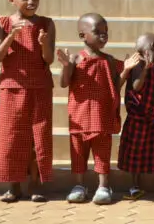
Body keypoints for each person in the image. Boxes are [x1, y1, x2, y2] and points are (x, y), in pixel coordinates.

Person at [57, 13, 136, 205]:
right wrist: (67, 66)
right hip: (80, 114)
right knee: (78, 152)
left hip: (102, 114)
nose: (103, 36)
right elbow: (63, 83)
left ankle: (103, 186)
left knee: (102, 152)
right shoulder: (76, 59)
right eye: (97, 32)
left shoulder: (109, 61)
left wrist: (126, 69)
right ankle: (79, 185)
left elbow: (116, 85)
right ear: (83, 35)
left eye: (105, 32)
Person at [0, 0, 56, 203]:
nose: (31, 2)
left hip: (39, 87)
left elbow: (48, 60)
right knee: (12, 137)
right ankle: (13, 185)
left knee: (38, 136)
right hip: (12, 87)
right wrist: (11, 36)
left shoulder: (46, 24)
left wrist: (43, 43)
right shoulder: (2, 23)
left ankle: (36, 185)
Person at [118, 33, 154, 201]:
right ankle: (135, 186)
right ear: (149, 50)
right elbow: (136, 87)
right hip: (138, 120)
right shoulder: (136, 68)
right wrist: (145, 68)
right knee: (135, 154)